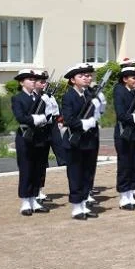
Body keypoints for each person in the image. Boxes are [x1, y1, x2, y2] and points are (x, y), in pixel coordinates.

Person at [61, 64, 101, 219]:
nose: (87, 78)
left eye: (89, 75)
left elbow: (98, 113)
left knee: (88, 173)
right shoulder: (69, 96)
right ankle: (77, 207)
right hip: (75, 141)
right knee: (76, 173)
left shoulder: (90, 94)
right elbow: (69, 119)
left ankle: (84, 203)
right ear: (72, 80)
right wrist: (83, 123)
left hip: (90, 140)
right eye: (82, 76)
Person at [11, 69, 50, 216]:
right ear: (22, 82)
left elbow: (44, 114)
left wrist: (43, 118)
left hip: (39, 137)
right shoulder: (18, 98)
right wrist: (34, 119)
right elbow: (20, 117)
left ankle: (34, 199)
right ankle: (25, 202)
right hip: (25, 138)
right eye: (29, 79)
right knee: (26, 169)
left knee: (37, 169)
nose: (33, 81)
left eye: (34, 79)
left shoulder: (39, 98)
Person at [113, 66, 135, 211]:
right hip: (124, 135)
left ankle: (131, 194)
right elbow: (121, 114)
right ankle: (124, 197)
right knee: (125, 166)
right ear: (124, 79)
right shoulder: (119, 91)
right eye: (134, 78)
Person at [33, 70, 61, 203]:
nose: (44, 84)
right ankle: (34, 191)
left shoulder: (47, 96)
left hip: (50, 127)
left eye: (45, 81)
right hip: (38, 131)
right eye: (41, 82)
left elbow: (55, 111)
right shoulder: (32, 97)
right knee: (37, 162)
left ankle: (39, 190)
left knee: (43, 162)